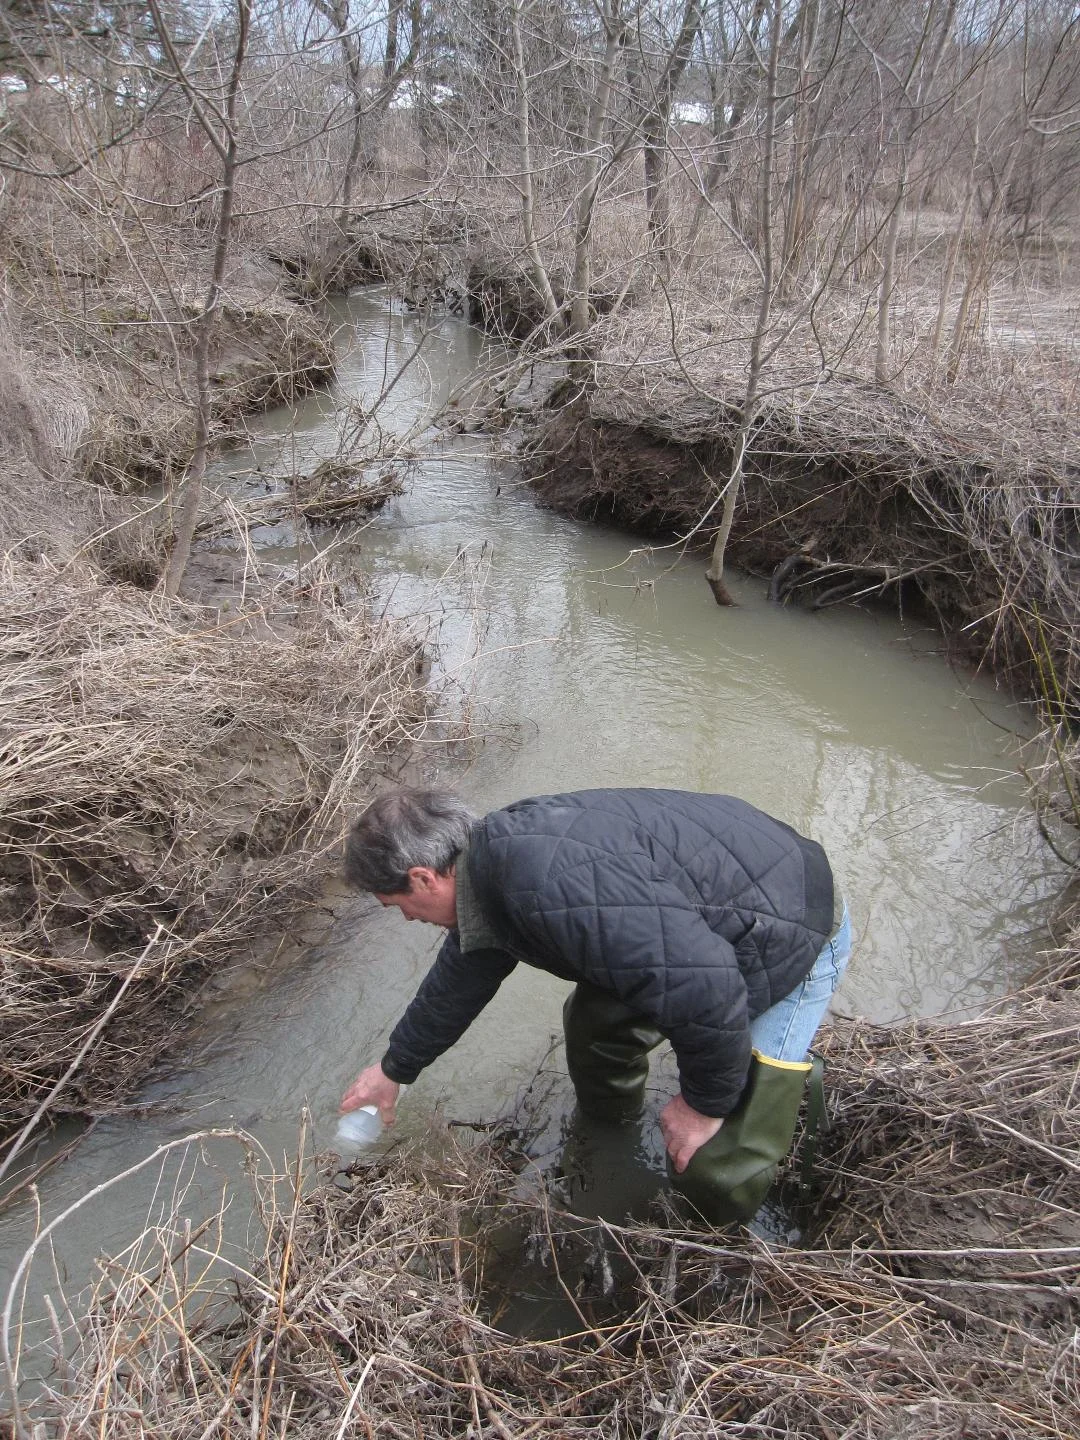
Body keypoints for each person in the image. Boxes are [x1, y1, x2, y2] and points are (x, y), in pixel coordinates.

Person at [339, 786, 850, 1178]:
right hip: (722, 905)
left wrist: (702, 1106)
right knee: (595, 1022)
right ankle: (608, 1137)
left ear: (423, 878)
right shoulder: (493, 860)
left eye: (397, 906)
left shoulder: (548, 881)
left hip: (792, 925)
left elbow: (708, 991)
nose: (406, 919)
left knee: (720, 1158)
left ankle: (722, 1245)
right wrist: (396, 1068)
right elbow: (464, 972)